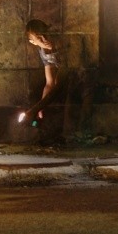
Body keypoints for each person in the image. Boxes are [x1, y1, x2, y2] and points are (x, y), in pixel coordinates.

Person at [17, 18, 84, 146]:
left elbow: (59, 84)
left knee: (70, 101)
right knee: (47, 108)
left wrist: (35, 109)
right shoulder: (43, 52)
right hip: (64, 78)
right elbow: (49, 82)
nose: (44, 39)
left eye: (44, 34)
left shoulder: (61, 43)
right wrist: (41, 108)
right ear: (33, 42)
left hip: (81, 77)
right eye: (38, 38)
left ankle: (75, 137)